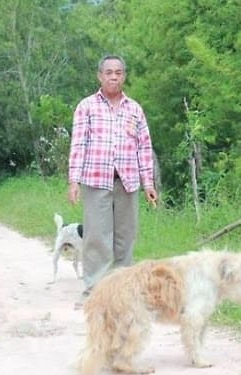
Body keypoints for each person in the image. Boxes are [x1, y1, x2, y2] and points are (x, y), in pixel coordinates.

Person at [68, 55, 157, 299]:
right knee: (97, 237)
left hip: (127, 182)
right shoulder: (87, 106)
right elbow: (78, 144)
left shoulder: (134, 109)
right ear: (100, 76)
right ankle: (94, 292)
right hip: (96, 180)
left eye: (118, 72)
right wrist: (73, 180)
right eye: (109, 72)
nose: (113, 76)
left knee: (125, 237)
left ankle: (122, 292)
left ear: (124, 76)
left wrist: (148, 183)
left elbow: (144, 147)